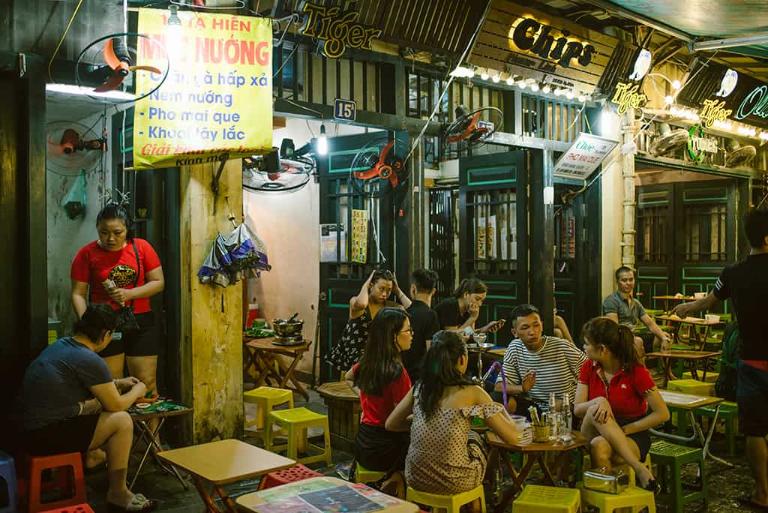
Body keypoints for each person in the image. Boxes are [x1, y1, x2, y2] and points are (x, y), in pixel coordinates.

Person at [672, 209, 768, 509]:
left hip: (752, 363)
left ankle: (763, 494)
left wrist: (686, 308)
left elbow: (709, 301)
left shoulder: (732, 273)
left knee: (754, 430)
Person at [20, 305, 156, 512]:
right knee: (122, 420)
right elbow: (116, 405)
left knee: (99, 409)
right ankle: (118, 492)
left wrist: (117, 383)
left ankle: (98, 464)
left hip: (26, 431)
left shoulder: (61, 345)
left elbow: (90, 386)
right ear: (106, 334)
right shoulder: (90, 359)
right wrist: (139, 389)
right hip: (44, 436)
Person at [386, 331, 520, 510]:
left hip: (416, 478)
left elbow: (391, 424)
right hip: (454, 481)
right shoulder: (473, 392)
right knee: (476, 438)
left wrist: (425, 423)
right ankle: (477, 503)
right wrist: (502, 411)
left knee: (467, 438)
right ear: (463, 359)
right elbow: (512, 437)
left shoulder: (420, 387)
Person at [71, 204, 165, 396]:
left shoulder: (142, 247)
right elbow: (78, 294)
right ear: (97, 228)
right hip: (105, 324)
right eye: (104, 232)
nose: (110, 238)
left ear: (127, 229)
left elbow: (158, 282)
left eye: (117, 232)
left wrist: (130, 294)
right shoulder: (86, 254)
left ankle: (151, 427)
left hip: (140, 321)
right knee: (113, 386)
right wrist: (87, 323)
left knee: (146, 385)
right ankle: (122, 425)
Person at [575, 317, 669, 492]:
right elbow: (578, 409)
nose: (583, 348)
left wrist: (624, 431)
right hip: (591, 426)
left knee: (600, 446)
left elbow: (662, 414)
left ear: (602, 349)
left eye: (587, 344)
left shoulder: (636, 372)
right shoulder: (588, 366)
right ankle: (639, 468)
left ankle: (612, 506)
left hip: (632, 433)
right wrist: (599, 401)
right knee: (597, 408)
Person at [345, 308, 412, 497]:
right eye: (407, 331)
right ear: (393, 336)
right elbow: (399, 420)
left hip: (363, 443)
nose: (412, 335)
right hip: (386, 448)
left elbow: (348, 378)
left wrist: (364, 398)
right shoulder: (398, 373)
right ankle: (397, 481)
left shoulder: (368, 361)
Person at [497, 304, 586, 415]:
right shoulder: (515, 348)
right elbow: (499, 386)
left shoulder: (562, 346)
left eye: (536, 325)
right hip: (534, 408)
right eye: (525, 328)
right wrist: (523, 388)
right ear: (514, 332)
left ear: (542, 326)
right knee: (498, 398)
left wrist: (578, 402)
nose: (532, 332)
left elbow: (591, 369)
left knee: (558, 405)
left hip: (563, 406)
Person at [328, 269, 410, 373]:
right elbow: (362, 304)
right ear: (371, 285)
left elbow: (413, 310)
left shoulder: (391, 306)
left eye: (389, 290)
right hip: (355, 359)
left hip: (378, 359)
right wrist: (366, 285)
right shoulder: (355, 301)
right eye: (381, 289)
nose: (385, 294)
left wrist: (398, 291)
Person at [602, 266, 671, 363]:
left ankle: (665, 371)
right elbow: (615, 328)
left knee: (664, 336)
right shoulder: (611, 301)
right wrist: (631, 338)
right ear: (617, 281)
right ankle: (642, 373)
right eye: (624, 280)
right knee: (638, 341)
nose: (628, 283)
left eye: (631, 280)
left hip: (634, 334)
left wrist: (663, 337)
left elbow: (650, 323)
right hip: (621, 337)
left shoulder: (636, 303)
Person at [402, 269, 440, 381]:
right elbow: (431, 351)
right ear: (433, 291)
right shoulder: (430, 315)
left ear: (413, 289)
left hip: (401, 374)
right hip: (419, 376)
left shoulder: (404, 313)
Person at [434, 278, 505, 334]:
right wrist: (472, 318)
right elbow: (452, 338)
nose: (479, 304)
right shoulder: (450, 305)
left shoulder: (469, 309)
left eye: (482, 301)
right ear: (466, 294)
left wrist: (485, 328)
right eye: (477, 299)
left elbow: (469, 333)